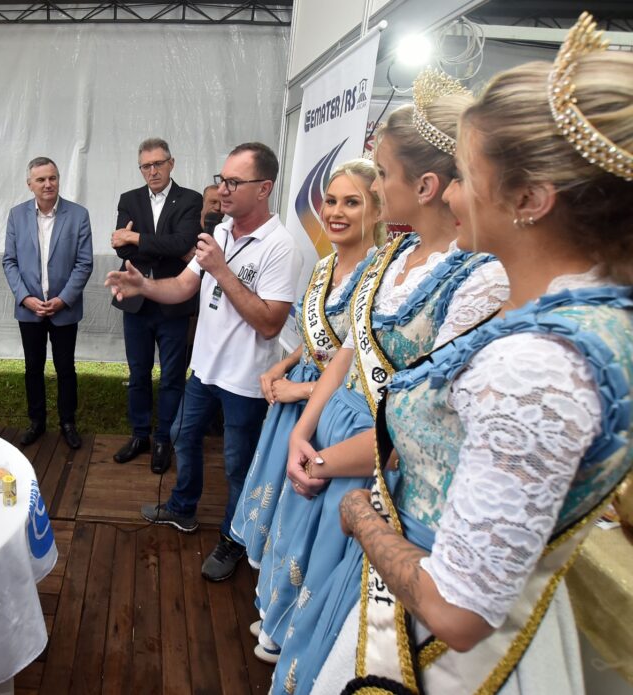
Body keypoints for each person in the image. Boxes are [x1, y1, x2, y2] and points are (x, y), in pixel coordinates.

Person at [299, 17, 633, 693]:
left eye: (466, 176)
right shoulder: (588, 316)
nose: (450, 194)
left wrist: (362, 515)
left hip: (444, 659)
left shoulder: (537, 369)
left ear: (529, 199)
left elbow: (457, 610)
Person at [258, 70, 511, 687]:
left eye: (383, 175)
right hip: (336, 434)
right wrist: (305, 429)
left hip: (380, 465)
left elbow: (427, 424)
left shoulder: (479, 279)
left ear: (424, 186)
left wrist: (322, 459)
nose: (374, 186)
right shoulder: (394, 256)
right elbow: (348, 348)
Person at [106, 142, 312, 582]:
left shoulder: (280, 247)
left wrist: (221, 271)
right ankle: (183, 508)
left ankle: (234, 538)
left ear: (264, 188)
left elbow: (271, 324)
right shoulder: (218, 233)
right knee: (182, 434)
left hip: (245, 379)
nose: (222, 190)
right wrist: (144, 285)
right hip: (205, 369)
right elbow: (182, 287)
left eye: (234, 182)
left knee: (239, 464)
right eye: (222, 179)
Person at [229, 158, 380, 574]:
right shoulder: (324, 265)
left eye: (352, 202)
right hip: (294, 400)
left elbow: (362, 363)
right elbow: (318, 343)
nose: (335, 212)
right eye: (330, 200)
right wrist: (283, 367)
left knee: (305, 514)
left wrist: (302, 390)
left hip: (332, 411)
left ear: (378, 210)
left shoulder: (378, 276)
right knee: (277, 499)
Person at [110, 138, 202, 473]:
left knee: (172, 376)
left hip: (174, 303)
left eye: (158, 164)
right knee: (137, 374)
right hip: (136, 304)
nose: (152, 171)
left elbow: (185, 242)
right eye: (146, 166)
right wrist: (168, 247)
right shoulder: (129, 199)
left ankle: (164, 437)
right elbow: (121, 251)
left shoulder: (190, 199)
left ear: (171, 163)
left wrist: (136, 237)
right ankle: (139, 435)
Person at [2, 157, 93, 450]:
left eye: (52, 177)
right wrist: (25, 298)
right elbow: (10, 261)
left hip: (63, 309)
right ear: (30, 184)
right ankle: (36, 421)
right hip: (29, 309)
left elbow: (84, 263)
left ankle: (68, 422)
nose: (48, 184)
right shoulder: (16, 216)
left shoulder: (78, 215)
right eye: (40, 179)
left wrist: (63, 299)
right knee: (33, 367)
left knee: (66, 368)